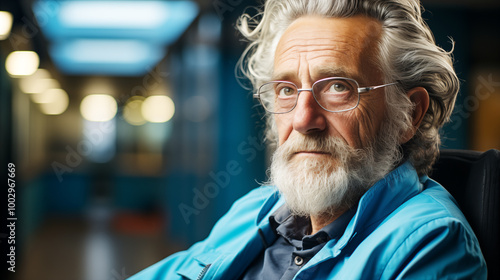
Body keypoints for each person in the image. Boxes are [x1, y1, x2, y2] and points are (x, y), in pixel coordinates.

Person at [128, 0, 487, 279]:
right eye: (286, 89)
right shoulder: (257, 207)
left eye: (337, 87)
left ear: (409, 114)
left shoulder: (430, 243)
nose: (303, 119)